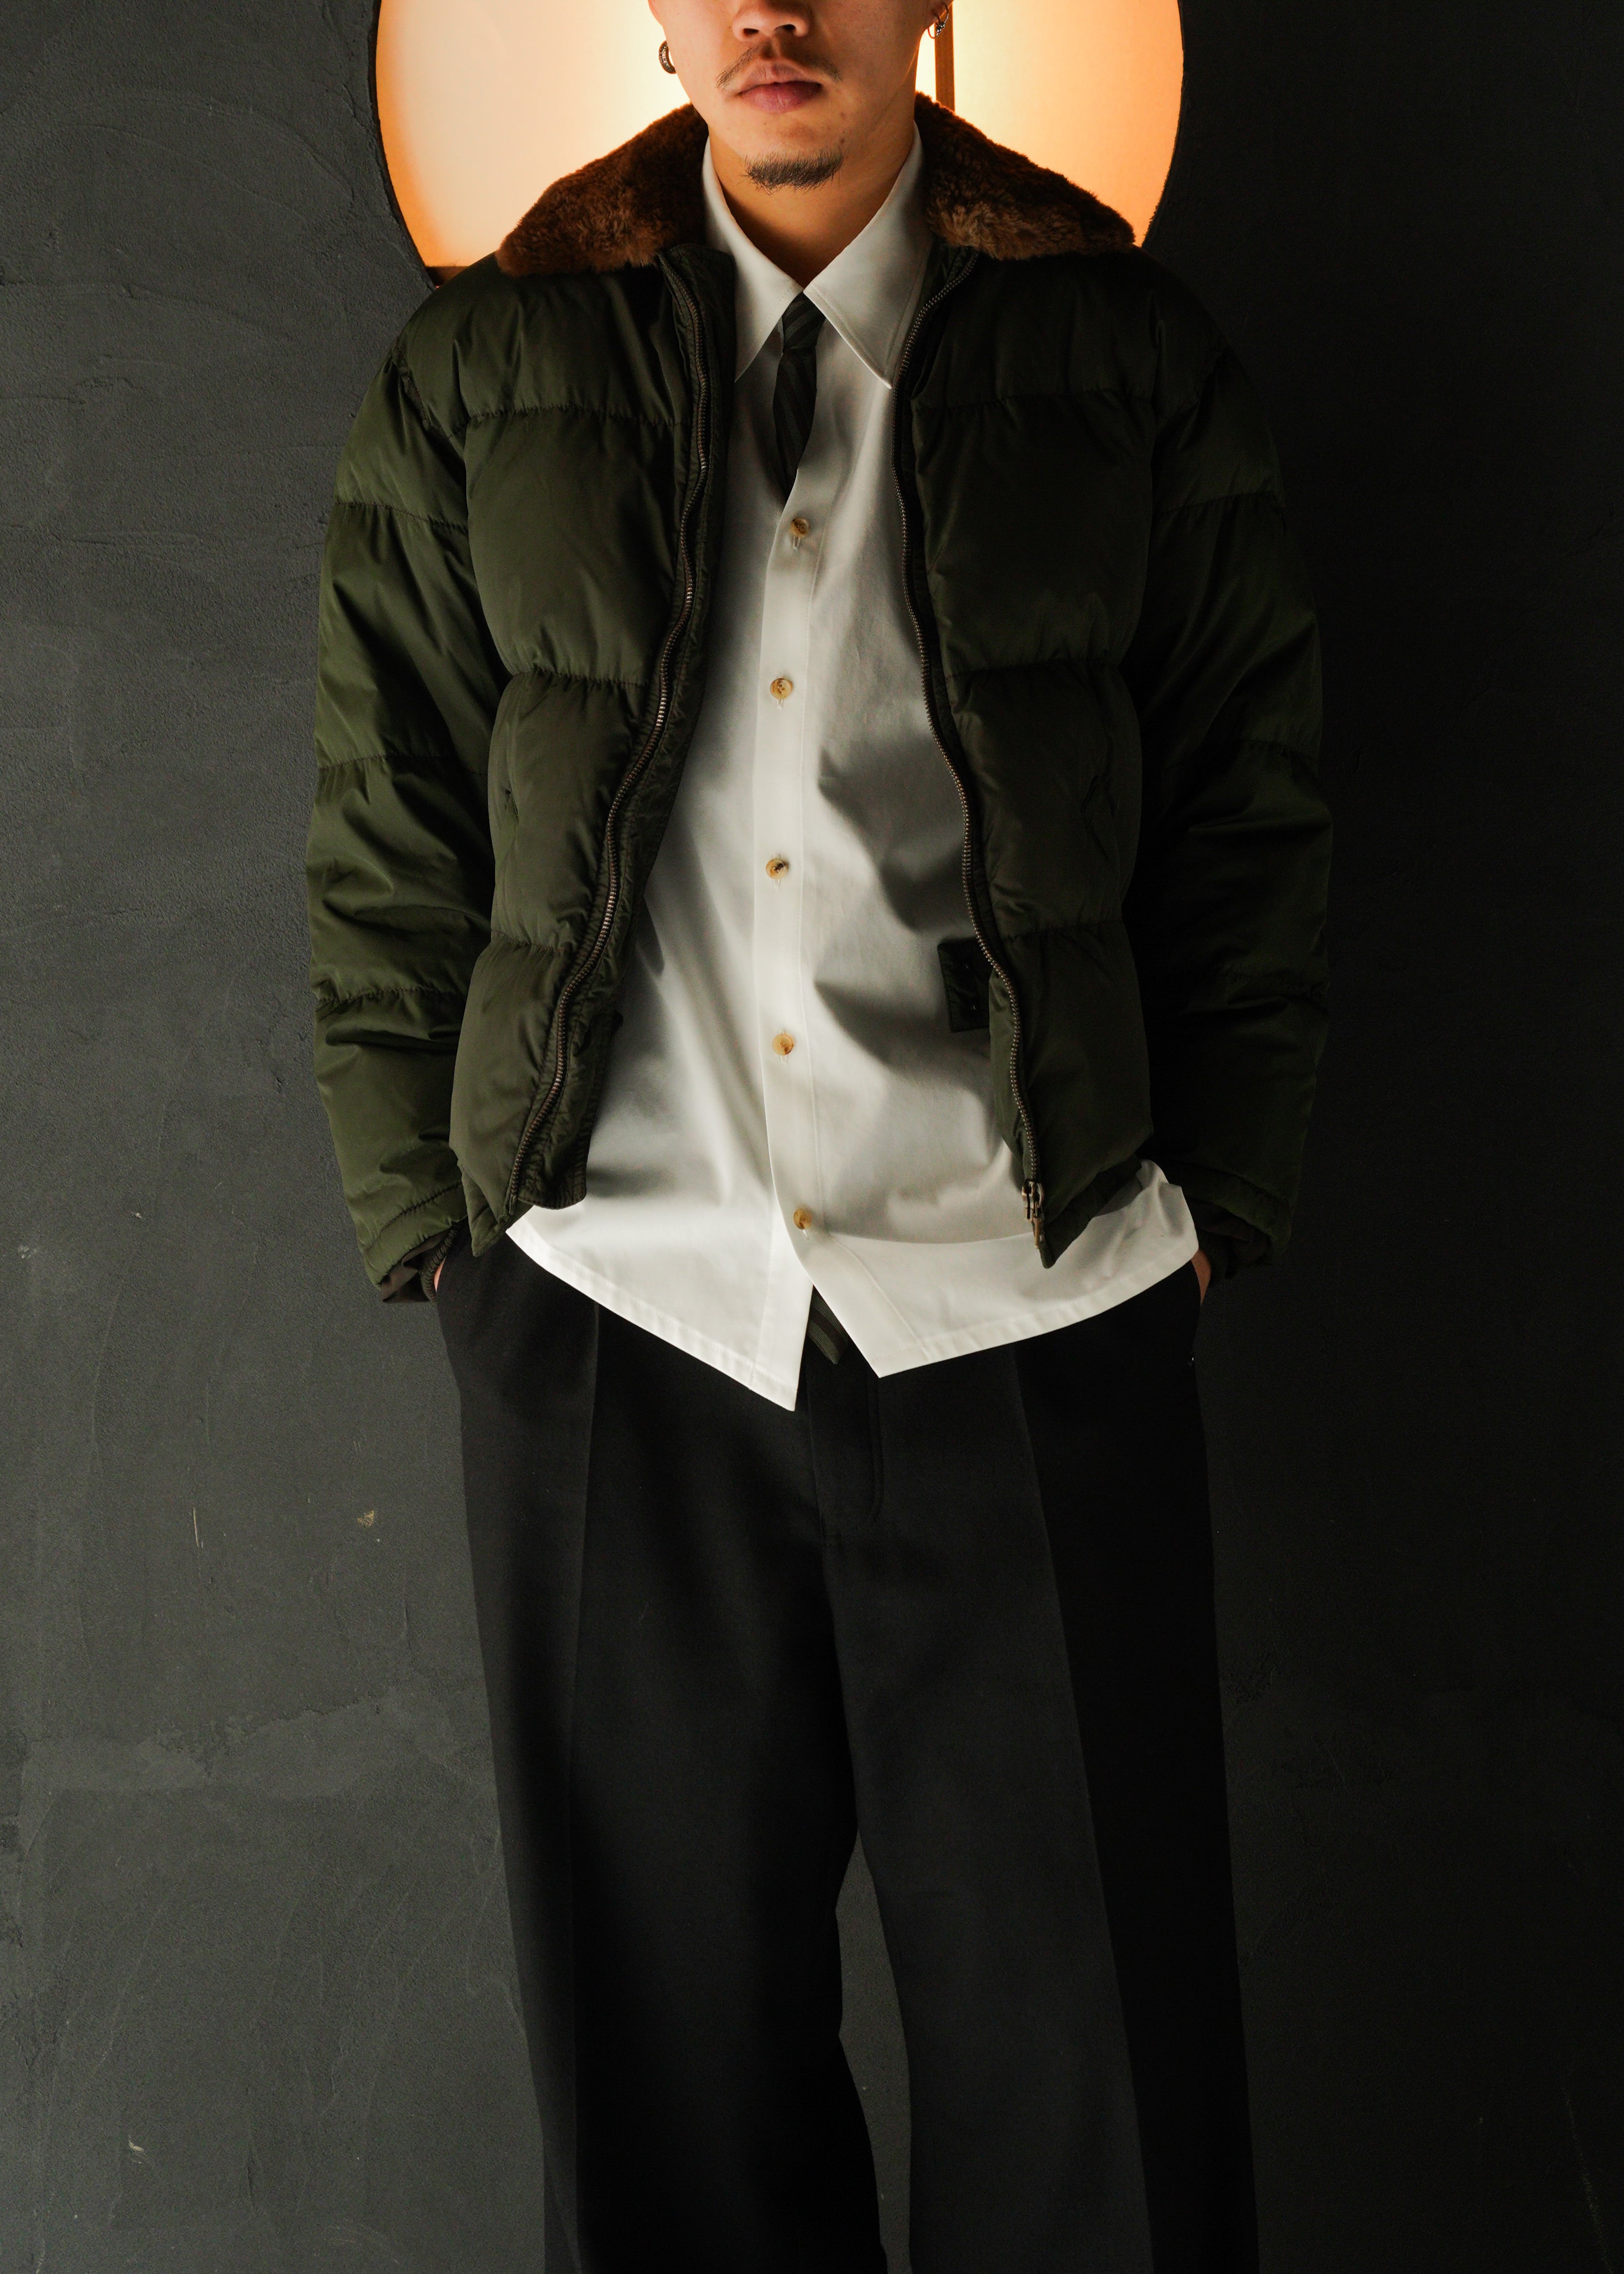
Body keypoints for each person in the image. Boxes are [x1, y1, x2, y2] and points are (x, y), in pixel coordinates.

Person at [306, 2, 1329, 2266]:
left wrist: (1202, 1202)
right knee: (659, 2110)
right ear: (654, 14)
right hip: (617, 1319)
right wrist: (444, 1230)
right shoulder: (480, 366)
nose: (777, 10)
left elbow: (1246, 801)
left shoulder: (1121, 355)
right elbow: (389, 814)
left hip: (1028, 1309)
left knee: (1097, 2098)